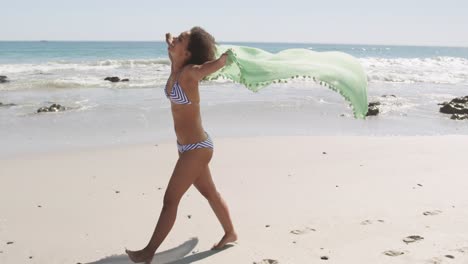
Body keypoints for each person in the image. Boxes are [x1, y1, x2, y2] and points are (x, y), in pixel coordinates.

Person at [125, 26, 237, 264]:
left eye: (181, 39)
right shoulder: (176, 67)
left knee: (170, 200)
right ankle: (231, 232)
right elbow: (172, 49)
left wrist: (224, 60)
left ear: (187, 54)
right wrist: (171, 40)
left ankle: (148, 252)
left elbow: (206, 68)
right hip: (187, 147)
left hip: (197, 149)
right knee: (210, 193)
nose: (175, 39)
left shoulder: (189, 73)